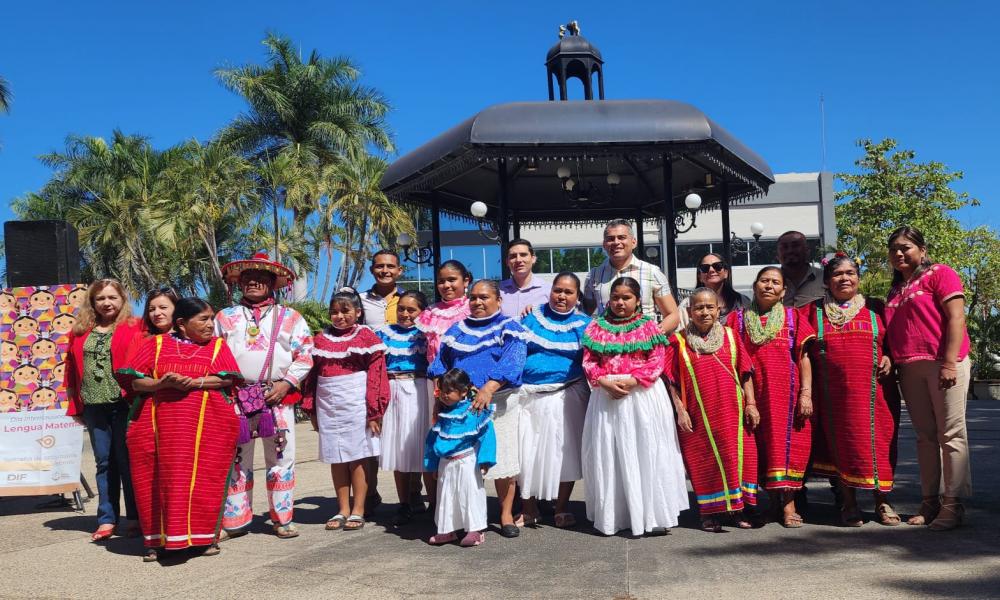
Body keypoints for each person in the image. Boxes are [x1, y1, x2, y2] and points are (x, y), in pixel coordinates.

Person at [118, 297, 242, 561]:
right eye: (204, 319)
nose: (211, 325)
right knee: (154, 480)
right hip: (158, 430)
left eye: (211, 319)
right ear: (182, 324)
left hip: (204, 431)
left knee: (203, 479)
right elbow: (136, 384)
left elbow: (228, 379)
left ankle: (203, 539)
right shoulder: (156, 345)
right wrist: (162, 383)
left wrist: (194, 382)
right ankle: (156, 542)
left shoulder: (218, 347)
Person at [216, 252, 315, 540]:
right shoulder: (225, 317)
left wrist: (287, 383)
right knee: (237, 459)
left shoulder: (291, 317)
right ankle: (235, 520)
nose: (253, 282)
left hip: (277, 397)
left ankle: (282, 518)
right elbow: (214, 354)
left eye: (260, 278)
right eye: (247, 278)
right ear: (239, 283)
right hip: (237, 398)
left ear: (273, 283)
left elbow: (305, 354)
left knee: (282, 457)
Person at [581, 276, 688, 536]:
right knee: (612, 453)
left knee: (646, 451)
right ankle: (617, 516)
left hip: (642, 396)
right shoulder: (596, 327)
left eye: (626, 297)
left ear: (638, 300)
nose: (620, 302)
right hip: (606, 396)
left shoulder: (650, 327)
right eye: (615, 297)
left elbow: (656, 361)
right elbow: (589, 360)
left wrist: (632, 379)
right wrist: (602, 381)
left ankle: (651, 515)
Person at [885, 226, 972, 530]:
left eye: (905, 247)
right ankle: (929, 502)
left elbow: (956, 317)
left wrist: (949, 362)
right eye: (893, 248)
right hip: (909, 368)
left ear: (922, 250)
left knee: (951, 434)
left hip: (943, 364)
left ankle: (953, 504)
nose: (899, 253)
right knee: (925, 438)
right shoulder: (896, 289)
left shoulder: (940, 273)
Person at [804, 253, 899, 527]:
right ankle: (849, 502)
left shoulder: (876, 308)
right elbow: (801, 352)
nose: (844, 278)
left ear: (858, 278)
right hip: (833, 397)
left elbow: (895, 341)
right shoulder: (813, 311)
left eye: (850, 273)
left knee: (881, 444)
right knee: (841, 446)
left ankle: (883, 502)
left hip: (876, 394)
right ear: (826, 280)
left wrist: (889, 357)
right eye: (837, 274)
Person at [428, 280, 527, 537]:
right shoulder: (457, 330)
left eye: (484, 297)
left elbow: (513, 361)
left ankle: (505, 514)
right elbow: (441, 364)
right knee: (464, 463)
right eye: (473, 298)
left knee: (502, 458)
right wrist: (441, 398)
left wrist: (488, 389)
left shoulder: (510, 327)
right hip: (463, 407)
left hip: (499, 402)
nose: (477, 302)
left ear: (498, 300)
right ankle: (465, 518)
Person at [665, 287, 760, 532]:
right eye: (698, 307)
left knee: (739, 459)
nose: (704, 312)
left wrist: (750, 404)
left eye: (710, 307)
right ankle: (709, 514)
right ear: (689, 311)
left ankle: (738, 510)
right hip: (698, 415)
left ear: (719, 310)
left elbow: (745, 372)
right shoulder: (678, 341)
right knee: (704, 462)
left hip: (734, 412)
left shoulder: (731, 336)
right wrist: (680, 410)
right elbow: (671, 381)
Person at [727, 267, 815, 528]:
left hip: (787, 396)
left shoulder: (794, 317)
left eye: (775, 282)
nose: (769, 286)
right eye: (764, 281)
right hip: (753, 395)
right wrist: (748, 401)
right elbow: (735, 361)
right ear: (754, 286)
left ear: (783, 291)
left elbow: (804, 357)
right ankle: (771, 504)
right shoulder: (737, 320)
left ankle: (789, 505)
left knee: (788, 448)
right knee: (760, 449)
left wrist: (806, 394)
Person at [303, 288, 389, 532]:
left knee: (357, 457)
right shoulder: (320, 339)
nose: (339, 316)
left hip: (356, 401)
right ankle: (342, 508)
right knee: (336, 457)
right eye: (334, 312)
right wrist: (311, 410)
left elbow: (377, 375)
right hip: (327, 404)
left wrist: (375, 411)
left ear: (358, 312)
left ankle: (359, 509)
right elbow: (310, 377)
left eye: (345, 311)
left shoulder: (367, 338)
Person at [65, 279, 143, 541]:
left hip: (125, 403)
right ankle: (107, 519)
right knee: (104, 463)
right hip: (93, 406)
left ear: (122, 300)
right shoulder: (79, 331)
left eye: (112, 298)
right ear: (93, 302)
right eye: (101, 298)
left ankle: (134, 517)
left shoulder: (135, 327)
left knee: (127, 461)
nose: (107, 303)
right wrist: (75, 405)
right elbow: (70, 372)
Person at [516, 272, 591, 528]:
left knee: (564, 452)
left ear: (577, 297)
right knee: (526, 453)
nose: (562, 296)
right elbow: (515, 352)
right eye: (558, 290)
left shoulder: (585, 325)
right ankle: (528, 507)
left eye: (568, 292)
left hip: (566, 395)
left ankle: (561, 507)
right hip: (528, 396)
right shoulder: (530, 318)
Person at [377, 290, 436, 526]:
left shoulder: (429, 334)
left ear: (422, 311)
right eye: (401, 308)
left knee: (424, 446)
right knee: (398, 447)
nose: (405, 314)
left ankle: (434, 502)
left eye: (411, 310)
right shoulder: (383, 333)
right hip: (394, 391)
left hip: (421, 390)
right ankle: (404, 503)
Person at [424, 368, 497, 547]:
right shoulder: (442, 415)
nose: (444, 395)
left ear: (463, 391)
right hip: (446, 463)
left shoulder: (473, 412)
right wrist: (432, 465)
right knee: (446, 496)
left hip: (467, 461)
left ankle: (475, 530)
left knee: (470, 494)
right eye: (441, 391)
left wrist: (485, 460)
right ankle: (447, 529)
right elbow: (431, 441)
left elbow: (487, 434)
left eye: (449, 391)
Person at [582, 219, 680, 334]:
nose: (616, 242)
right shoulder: (594, 275)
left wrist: (654, 334)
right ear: (604, 244)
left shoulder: (652, 272)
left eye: (622, 237)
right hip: (607, 347)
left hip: (643, 347)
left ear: (634, 242)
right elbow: (584, 313)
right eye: (610, 239)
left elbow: (673, 315)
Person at [416, 260, 472, 365]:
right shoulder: (430, 313)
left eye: (452, 280)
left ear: (465, 281)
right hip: (435, 375)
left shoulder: (473, 309)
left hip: (466, 374)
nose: (446, 285)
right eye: (441, 281)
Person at [678, 253, 751, 328]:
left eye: (717, 266)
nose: (711, 270)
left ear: (726, 273)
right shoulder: (687, 304)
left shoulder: (742, 302)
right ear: (699, 277)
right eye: (705, 268)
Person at [499, 239, 551, 319]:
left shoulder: (548, 290)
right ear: (507, 262)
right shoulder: (498, 291)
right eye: (513, 256)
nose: (518, 260)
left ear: (533, 259)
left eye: (523, 255)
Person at [777, 231, 825, 307]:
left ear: (807, 251)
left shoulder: (826, 278)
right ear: (777, 255)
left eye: (795, 246)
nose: (790, 251)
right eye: (785, 247)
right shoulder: (768, 283)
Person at [361, 250, 405, 329]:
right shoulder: (360, 300)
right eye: (380, 266)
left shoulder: (411, 300)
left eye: (390, 266)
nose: (385, 271)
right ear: (371, 270)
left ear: (399, 270)